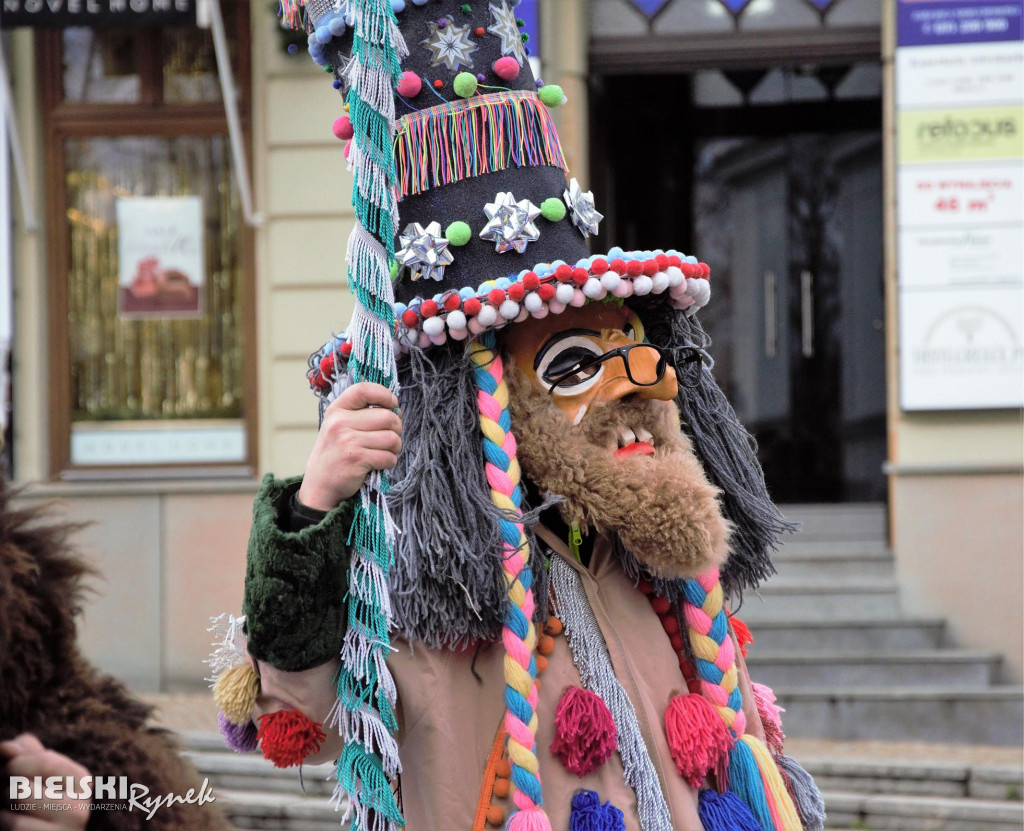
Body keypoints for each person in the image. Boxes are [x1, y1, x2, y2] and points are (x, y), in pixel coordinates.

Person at [207, 2, 827, 829]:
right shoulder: (421, 584)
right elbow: (300, 716)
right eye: (575, 365)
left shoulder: (655, 565)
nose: (635, 392)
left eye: (639, 352)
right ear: (482, 397)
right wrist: (314, 508)